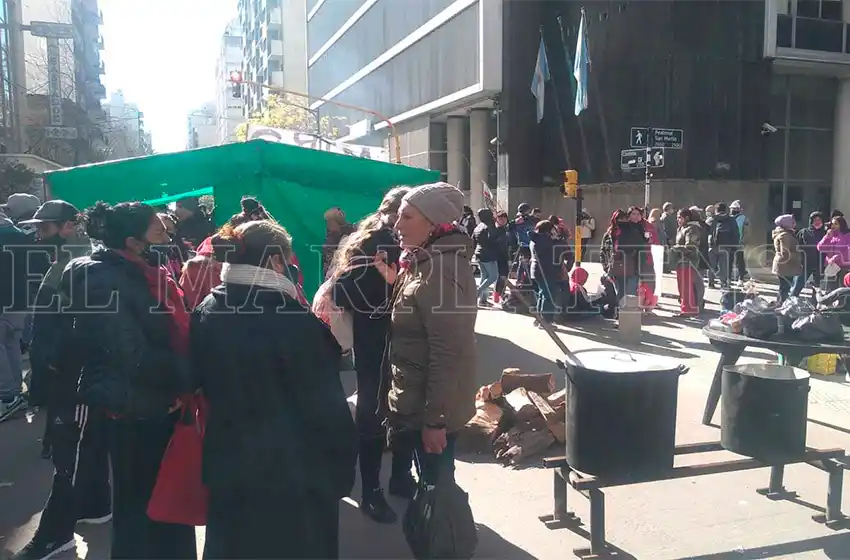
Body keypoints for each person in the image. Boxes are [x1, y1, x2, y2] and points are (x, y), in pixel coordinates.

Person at [194, 220, 357, 559]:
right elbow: (327, 407)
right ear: (274, 262)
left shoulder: (207, 309)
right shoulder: (295, 322)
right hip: (292, 473)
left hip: (229, 460)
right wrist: (342, 467)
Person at [63, 201, 197, 559]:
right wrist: (189, 375)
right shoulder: (103, 280)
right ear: (131, 238)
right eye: (154, 225)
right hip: (134, 407)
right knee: (140, 505)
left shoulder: (144, 268)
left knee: (168, 499)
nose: (164, 229)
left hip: (160, 400)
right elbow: (130, 354)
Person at [329, 186, 415, 525]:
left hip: (378, 337)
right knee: (380, 409)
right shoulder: (381, 241)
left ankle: (392, 481)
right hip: (381, 338)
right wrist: (392, 287)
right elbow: (346, 289)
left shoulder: (370, 237)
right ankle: (375, 491)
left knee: (384, 406)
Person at [389, 183, 477, 486]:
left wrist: (435, 420)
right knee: (429, 486)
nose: (396, 225)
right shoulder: (421, 261)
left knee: (437, 491)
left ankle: (447, 533)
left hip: (431, 409)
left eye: (407, 217)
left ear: (433, 222)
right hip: (415, 400)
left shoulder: (440, 269)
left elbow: (448, 351)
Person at [530, 220, 573, 325]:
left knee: (542, 293)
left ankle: (539, 318)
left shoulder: (535, 239)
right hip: (547, 270)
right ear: (549, 230)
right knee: (549, 296)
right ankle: (546, 321)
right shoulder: (547, 241)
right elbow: (562, 253)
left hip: (536, 270)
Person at [601, 209, 648, 302]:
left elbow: (641, 249)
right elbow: (603, 251)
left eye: (624, 219)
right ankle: (619, 313)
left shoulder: (633, 232)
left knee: (630, 295)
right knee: (620, 294)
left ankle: (628, 315)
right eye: (619, 219)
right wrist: (606, 266)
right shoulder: (609, 234)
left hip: (632, 268)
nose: (621, 222)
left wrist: (640, 269)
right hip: (615, 269)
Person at [670, 209, 701, 317]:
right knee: (682, 287)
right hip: (680, 261)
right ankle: (685, 308)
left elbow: (691, 246)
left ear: (687, 217)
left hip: (689, 261)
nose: (678, 220)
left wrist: (676, 248)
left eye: (680, 217)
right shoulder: (682, 228)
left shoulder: (692, 229)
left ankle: (689, 309)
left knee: (687, 287)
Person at [793, 211, 827, 303]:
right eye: (815, 220)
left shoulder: (826, 233)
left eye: (819, 220)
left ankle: (815, 305)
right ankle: (791, 302)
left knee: (817, 287)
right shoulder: (804, 232)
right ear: (811, 221)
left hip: (819, 264)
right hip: (805, 263)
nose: (817, 222)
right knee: (798, 285)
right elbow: (796, 246)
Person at [706, 202, 740, 289]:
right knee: (724, 266)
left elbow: (705, 232)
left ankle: (711, 282)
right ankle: (723, 283)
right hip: (725, 247)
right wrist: (734, 246)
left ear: (716, 210)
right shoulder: (731, 220)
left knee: (711, 265)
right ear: (725, 210)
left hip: (712, 246)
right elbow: (736, 234)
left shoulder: (711, 219)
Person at [472, 208, 502, 306]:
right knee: (493, 276)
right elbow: (493, 238)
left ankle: (482, 300)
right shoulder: (490, 226)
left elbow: (473, 239)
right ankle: (477, 292)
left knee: (484, 276)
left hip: (479, 253)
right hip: (488, 254)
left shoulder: (478, 226)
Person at [772, 214, 801, 304]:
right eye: (792, 222)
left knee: (784, 287)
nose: (794, 223)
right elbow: (785, 252)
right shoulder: (784, 235)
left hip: (785, 265)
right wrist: (798, 256)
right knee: (784, 288)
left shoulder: (787, 233)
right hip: (785, 266)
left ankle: (780, 304)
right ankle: (781, 305)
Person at [817, 215, 850, 291]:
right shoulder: (831, 236)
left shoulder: (847, 236)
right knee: (830, 287)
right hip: (831, 265)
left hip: (844, 266)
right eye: (832, 224)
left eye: (835, 224)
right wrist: (826, 237)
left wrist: (836, 257)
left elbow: (847, 250)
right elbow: (820, 248)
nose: (833, 226)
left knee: (842, 288)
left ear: (841, 224)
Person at [323, 207, 356, 279]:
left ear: (334, 222)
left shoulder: (350, 235)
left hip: (341, 272)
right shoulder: (331, 236)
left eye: (329, 222)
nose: (327, 225)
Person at [493, 210, 511, 305]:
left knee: (504, 276)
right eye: (500, 218)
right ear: (497, 219)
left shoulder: (506, 229)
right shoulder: (495, 229)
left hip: (505, 256)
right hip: (497, 256)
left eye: (504, 218)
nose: (503, 220)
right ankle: (497, 295)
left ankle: (500, 294)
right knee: (499, 277)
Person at [730, 200, 750, 282]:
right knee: (729, 260)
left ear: (738, 209)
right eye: (732, 209)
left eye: (734, 209)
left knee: (740, 261)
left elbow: (747, 232)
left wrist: (743, 241)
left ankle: (741, 277)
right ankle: (729, 277)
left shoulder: (744, 219)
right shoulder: (729, 218)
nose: (732, 210)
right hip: (730, 243)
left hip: (739, 243)